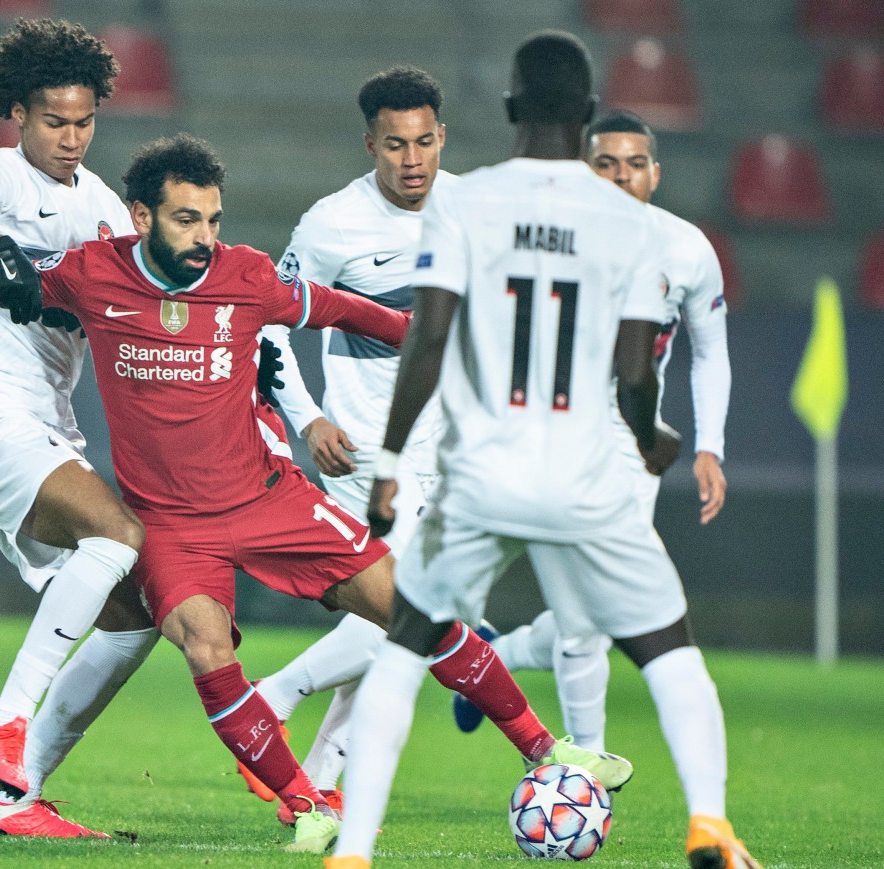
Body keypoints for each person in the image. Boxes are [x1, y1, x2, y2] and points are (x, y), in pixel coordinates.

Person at [0, 132, 634, 855]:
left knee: (414, 610)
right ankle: (305, 805)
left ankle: (547, 750)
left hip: (270, 501)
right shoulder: (92, 274)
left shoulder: (247, 275)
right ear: (140, 217)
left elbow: (339, 309)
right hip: (173, 526)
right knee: (206, 649)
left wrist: (426, 336)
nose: (205, 237)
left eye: (214, 219)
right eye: (186, 220)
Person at [330, 31, 761, 869]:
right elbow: (637, 372)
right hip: (587, 471)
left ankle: (352, 853)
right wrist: (653, 437)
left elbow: (428, 341)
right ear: (590, 115)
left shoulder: (466, 202)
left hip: (482, 471)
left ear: (509, 110)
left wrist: (387, 464)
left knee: (407, 645)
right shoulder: (628, 223)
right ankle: (709, 824)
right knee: (671, 649)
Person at [0, 18, 159, 838]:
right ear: (19, 114)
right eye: (56, 121)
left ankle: (12, 798)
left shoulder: (105, 207)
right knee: (117, 529)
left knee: (134, 614)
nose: (71, 138)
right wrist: (0, 246)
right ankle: (5, 724)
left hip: (45, 430)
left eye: (85, 122)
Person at [452, 110, 733, 751]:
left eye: (635, 164)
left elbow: (712, 349)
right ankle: (585, 760)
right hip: (544, 430)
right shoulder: (548, 233)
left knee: (596, 621)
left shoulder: (686, 247)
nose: (621, 176)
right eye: (606, 163)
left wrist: (710, 445)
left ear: (655, 174)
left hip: (630, 443)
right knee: (589, 620)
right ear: (585, 169)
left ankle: (505, 670)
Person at [238, 66, 460, 819]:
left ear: (441, 137)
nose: (412, 159)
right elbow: (267, 321)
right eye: (395, 144)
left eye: (424, 141)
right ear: (370, 144)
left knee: (389, 625)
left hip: (448, 450)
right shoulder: (332, 223)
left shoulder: (471, 212)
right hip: (364, 454)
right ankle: (276, 693)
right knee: (414, 615)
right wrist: (308, 419)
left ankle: (319, 781)